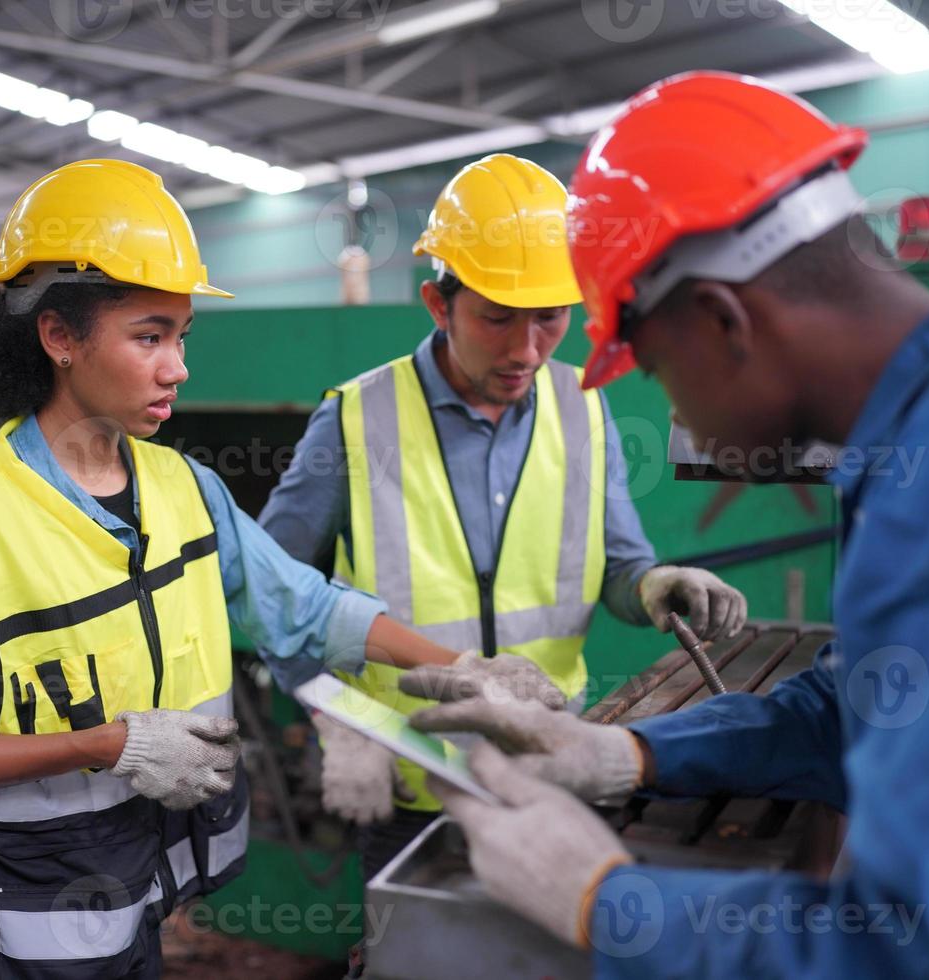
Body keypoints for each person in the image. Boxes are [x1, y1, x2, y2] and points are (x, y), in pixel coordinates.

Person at [406, 72, 929, 977]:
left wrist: (608, 901)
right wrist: (632, 751)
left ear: (725, 322)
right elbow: (869, 703)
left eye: (649, 362)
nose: (669, 399)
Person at [0, 158, 502, 978]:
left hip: (134, 898)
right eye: (148, 336)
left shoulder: (183, 487)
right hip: (4, 932)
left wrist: (470, 672)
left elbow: (302, 606)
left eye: (181, 336)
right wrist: (105, 744)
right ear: (59, 336)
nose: (178, 368)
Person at [258, 152, 747, 879]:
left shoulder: (583, 405)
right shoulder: (356, 421)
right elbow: (273, 594)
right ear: (437, 303)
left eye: (550, 319)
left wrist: (654, 587)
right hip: (408, 783)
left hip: (549, 769)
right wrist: (338, 721)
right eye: (496, 319)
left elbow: (618, 564)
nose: (525, 350)